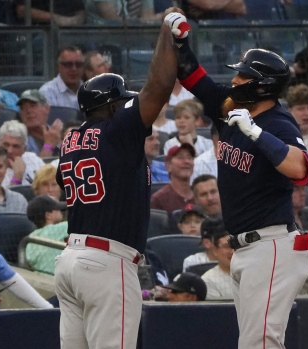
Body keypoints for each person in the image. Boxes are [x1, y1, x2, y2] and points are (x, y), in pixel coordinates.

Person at [168, 15, 308, 349]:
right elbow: (194, 77)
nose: (235, 79)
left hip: (272, 245)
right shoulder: (232, 105)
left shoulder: (279, 123)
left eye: (243, 75)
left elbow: (303, 169)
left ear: (260, 85)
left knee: (260, 342)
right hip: (245, 248)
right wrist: (180, 42)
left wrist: (257, 133)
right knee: (255, 342)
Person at [53, 10, 177, 348]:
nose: (128, 107)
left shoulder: (71, 139)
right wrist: (166, 33)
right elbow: (160, 86)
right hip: (105, 263)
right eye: (122, 101)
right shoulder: (117, 130)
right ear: (110, 108)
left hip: (71, 260)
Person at [25, 195, 68, 275]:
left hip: (39, 282)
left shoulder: (30, 238)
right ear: (48, 215)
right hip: (56, 281)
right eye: (57, 209)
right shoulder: (56, 229)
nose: (60, 211)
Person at [150, 143, 196, 215]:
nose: (187, 161)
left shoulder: (200, 195)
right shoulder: (158, 200)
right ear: (168, 166)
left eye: (189, 158)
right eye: (181, 157)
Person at [0, 120, 45, 188]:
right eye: (6, 145)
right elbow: (3, 198)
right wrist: (17, 177)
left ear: (24, 149)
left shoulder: (34, 160)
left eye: (16, 146)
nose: (9, 151)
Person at [17, 89, 64, 157]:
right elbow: (38, 167)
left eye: (33, 106)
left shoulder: (59, 133)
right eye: (23, 108)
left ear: (47, 108)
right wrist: (49, 145)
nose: (28, 111)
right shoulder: (19, 140)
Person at [200, 218, 234, 300]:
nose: (233, 251)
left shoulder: (255, 274)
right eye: (227, 246)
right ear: (215, 250)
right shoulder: (208, 281)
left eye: (237, 246)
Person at [14, 0, 85, 26]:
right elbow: (21, 10)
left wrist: (74, 21)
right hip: (40, 31)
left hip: (70, 32)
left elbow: (81, 13)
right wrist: (57, 19)